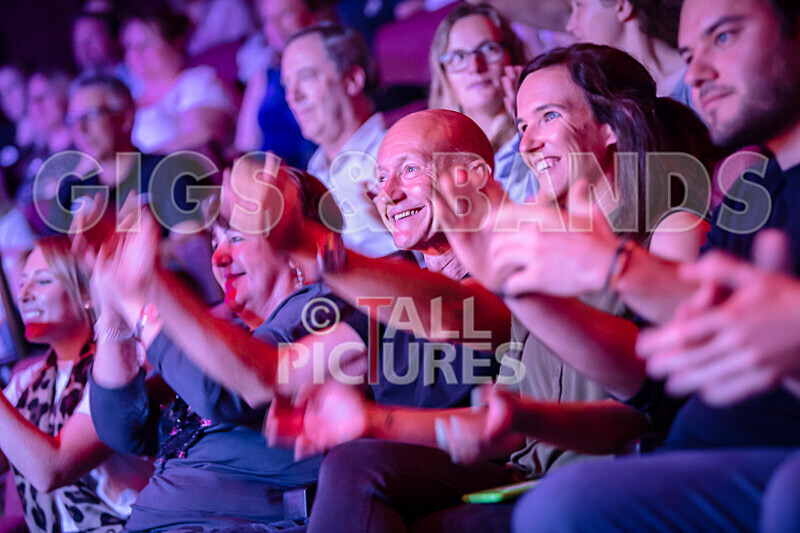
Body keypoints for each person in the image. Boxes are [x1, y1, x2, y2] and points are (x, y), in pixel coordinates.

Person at [507, 0, 800, 530]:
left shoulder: (680, 224)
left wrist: (616, 266)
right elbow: (659, 390)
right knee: (562, 504)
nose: (698, 72)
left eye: (725, 37)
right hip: (691, 455)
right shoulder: (754, 198)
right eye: (689, 53)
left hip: (757, 464)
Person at [85, 157, 371, 531]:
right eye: (214, 241)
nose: (218, 258)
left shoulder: (326, 311)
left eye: (235, 238)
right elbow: (124, 430)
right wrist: (112, 313)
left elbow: (225, 393)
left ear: (296, 238)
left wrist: (141, 301)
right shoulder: (227, 329)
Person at [0, 236, 150, 532]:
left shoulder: (121, 367)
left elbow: (52, 469)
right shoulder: (25, 383)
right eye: (22, 283)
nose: (24, 295)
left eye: (42, 282)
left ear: (87, 293)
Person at [282, 24, 399, 257]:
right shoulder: (309, 177)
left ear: (352, 80)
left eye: (306, 77)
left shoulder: (398, 155)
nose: (293, 96)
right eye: (286, 84)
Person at [429, 3, 536, 201]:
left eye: (488, 49)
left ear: (511, 56)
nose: (475, 66)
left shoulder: (536, 135)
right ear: (444, 74)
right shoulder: (437, 153)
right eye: (458, 57)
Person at [121, 6, 235, 154]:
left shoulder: (197, 82)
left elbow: (203, 136)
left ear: (175, 43)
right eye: (130, 46)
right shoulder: (128, 98)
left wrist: (141, 166)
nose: (137, 53)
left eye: (147, 43)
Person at [234, 0, 332, 165]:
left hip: (316, 170)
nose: (275, 27)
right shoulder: (263, 77)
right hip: (271, 174)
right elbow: (245, 146)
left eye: (285, 15)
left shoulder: (331, 63)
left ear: (311, 16)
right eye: (267, 20)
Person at [565, 0, 691, 106]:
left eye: (579, 4)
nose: (570, 26)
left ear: (622, 6)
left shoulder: (696, 79)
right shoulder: (608, 98)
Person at [71, 9, 141, 97]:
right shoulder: (77, 88)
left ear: (114, 39)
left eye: (91, 38)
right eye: (78, 42)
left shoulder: (137, 75)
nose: (84, 48)